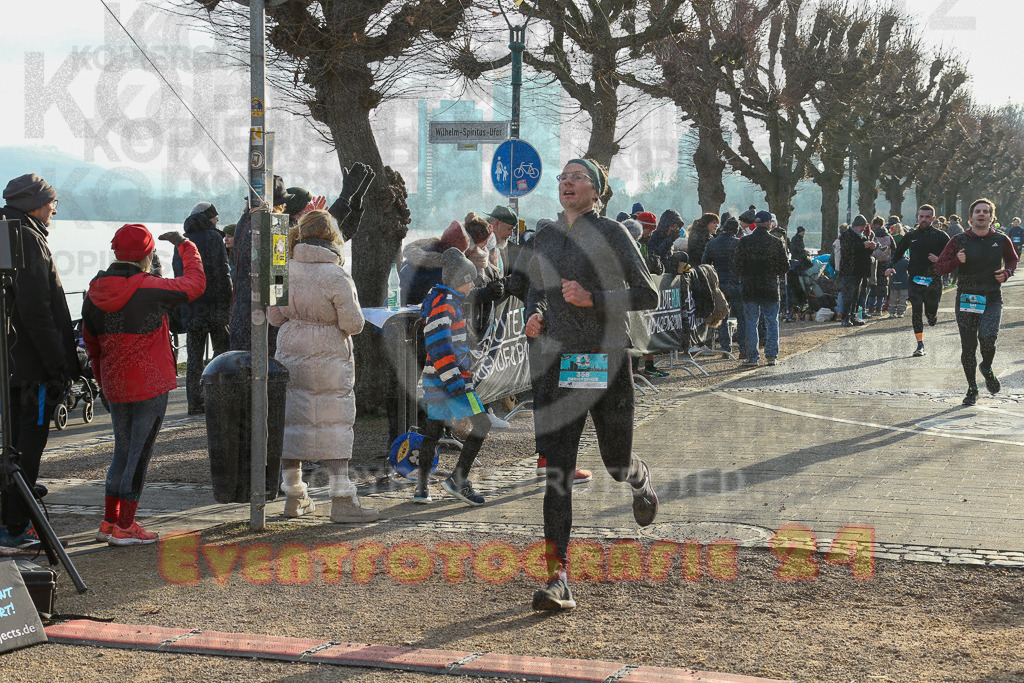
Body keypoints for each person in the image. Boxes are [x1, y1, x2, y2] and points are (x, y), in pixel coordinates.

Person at [524, 158, 659, 610]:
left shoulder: (614, 234)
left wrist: (593, 298)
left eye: (577, 178)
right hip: (561, 365)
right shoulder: (546, 235)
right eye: (563, 177)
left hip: (605, 362)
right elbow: (535, 287)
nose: (567, 183)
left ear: (597, 191)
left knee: (614, 463)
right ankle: (557, 577)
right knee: (557, 474)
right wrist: (535, 313)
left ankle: (638, 479)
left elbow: (647, 293)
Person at [83, 225, 206, 545]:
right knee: (139, 453)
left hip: (114, 383)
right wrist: (185, 245)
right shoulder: (150, 287)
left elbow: (91, 344)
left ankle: (109, 522)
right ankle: (126, 526)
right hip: (149, 385)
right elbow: (196, 284)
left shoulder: (94, 291)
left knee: (122, 451)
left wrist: (101, 383)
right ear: (148, 255)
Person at [268, 210, 378, 523]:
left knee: (292, 423)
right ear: (332, 238)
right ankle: (342, 500)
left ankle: (294, 496)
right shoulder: (336, 275)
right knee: (334, 424)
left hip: (291, 349)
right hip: (330, 355)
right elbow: (353, 324)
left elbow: (275, 318)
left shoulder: (283, 269)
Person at [0, 174, 79, 549]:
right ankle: (15, 524)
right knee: (29, 443)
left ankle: (13, 510)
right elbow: (37, 311)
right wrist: (59, 364)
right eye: (53, 202)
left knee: (11, 442)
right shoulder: (27, 239)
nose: (54, 209)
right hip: (31, 369)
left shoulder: (6, 231)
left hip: (9, 366)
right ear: (35, 203)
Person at [412, 248, 494, 506]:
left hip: (436, 381)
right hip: (450, 381)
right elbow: (439, 347)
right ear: (462, 279)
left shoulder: (441, 299)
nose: (473, 286)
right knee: (483, 423)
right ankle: (458, 479)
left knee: (433, 431)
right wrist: (456, 383)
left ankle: (422, 488)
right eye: (471, 280)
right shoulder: (446, 305)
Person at [934, 198, 1018, 406]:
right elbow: (940, 267)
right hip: (967, 298)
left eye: (986, 211)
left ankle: (987, 367)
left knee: (988, 337)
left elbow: (1013, 259)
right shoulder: (959, 240)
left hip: (991, 297)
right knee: (969, 346)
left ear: (991, 217)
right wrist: (956, 261)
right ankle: (972, 388)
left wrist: (1007, 272)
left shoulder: (1001, 239)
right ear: (970, 217)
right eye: (977, 211)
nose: (982, 214)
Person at [175, 202, 232, 414]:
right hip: (215, 306)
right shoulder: (214, 238)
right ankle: (217, 397)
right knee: (220, 353)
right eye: (215, 217)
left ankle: (193, 401)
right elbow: (222, 273)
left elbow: (178, 275)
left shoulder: (182, 240)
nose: (218, 220)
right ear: (209, 218)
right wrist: (227, 305)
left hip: (191, 307)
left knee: (194, 358)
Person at [887, 204, 949, 357]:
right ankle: (920, 344)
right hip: (915, 279)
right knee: (916, 309)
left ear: (933, 219)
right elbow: (897, 254)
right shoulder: (911, 236)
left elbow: (953, 257)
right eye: (921, 217)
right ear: (918, 217)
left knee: (930, 311)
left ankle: (932, 314)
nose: (924, 220)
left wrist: (939, 259)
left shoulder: (941, 236)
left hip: (933, 279)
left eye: (927, 217)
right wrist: (889, 267)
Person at [734, 210, 789, 366]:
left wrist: (745, 276)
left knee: (751, 322)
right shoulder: (776, 242)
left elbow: (737, 265)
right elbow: (784, 266)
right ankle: (771, 355)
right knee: (772, 321)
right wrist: (775, 273)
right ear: (768, 224)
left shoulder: (744, 242)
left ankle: (752, 357)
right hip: (770, 287)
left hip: (750, 286)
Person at [702, 216, 744, 354]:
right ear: (736, 230)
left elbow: (705, 264)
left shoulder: (712, 244)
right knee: (741, 317)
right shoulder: (739, 244)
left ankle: (726, 348)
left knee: (722, 317)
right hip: (737, 283)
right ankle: (743, 348)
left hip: (720, 284)